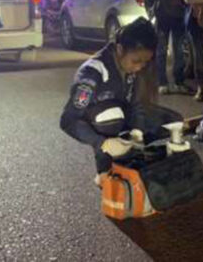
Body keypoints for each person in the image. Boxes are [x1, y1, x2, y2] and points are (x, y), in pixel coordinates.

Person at [60, 17, 182, 185]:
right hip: (100, 121)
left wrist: (137, 131)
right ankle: (105, 171)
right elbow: (68, 120)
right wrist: (103, 143)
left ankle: (132, 156)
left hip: (122, 113)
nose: (139, 67)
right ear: (119, 49)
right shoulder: (92, 73)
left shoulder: (135, 68)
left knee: (173, 121)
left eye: (145, 62)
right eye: (136, 61)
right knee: (112, 118)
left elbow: (137, 104)